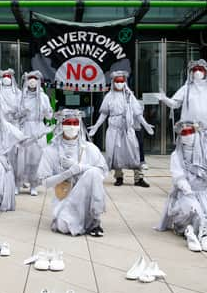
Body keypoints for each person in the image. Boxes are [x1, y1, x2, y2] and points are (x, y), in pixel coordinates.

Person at [37, 109, 109, 237]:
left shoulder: (89, 148)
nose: (72, 127)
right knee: (65, 227)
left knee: (93, 173)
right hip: (65, 195)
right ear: (61, 125)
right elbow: (45, 182)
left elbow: (102, 172)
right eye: (68, 123)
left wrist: (80, 168)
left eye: (75, 123)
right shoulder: (51, 150)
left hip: (87, 196)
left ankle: (96, 221)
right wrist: (68, 173)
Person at [157, 121, 207, 252]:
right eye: (183, 133)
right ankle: (192, 233)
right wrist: (187, 190)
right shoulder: (176, 155)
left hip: (203, 192)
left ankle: (198, 233)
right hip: (186, 194)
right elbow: (178, 176)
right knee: (193, 210)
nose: (186, 136)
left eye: (189, 132)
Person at [87, 71, 154, 187]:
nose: (119, 83)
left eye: (122, 81)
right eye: (117, 81)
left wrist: (146, 124)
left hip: (128, 129)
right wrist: (96, 126)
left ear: (125, 82)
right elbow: (104, 114)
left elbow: (137, 113)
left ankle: (139, 178)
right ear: (113, 82)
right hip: (114, 129)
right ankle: (119, 177)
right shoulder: (109, 96)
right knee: (116, 154)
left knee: (134, 152)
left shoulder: (129, 96)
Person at [16, 71, 53, 196]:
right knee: (21, 157)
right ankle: (18, 183)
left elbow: (49, 116)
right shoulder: (22, 96)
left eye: (34, 79)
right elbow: (16, 114)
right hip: (25, 127)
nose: (32, 81)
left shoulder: (44, 97)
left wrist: (48, 111)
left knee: (36, 157)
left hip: (38, 127)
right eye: (29, 79)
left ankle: (33, 184)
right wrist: (22, 113)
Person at [0, 69, 22, 179]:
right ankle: (2, 174)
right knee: (2, 149)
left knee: (15, 150)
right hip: (2, 124)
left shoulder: (17, 92)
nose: (6, 79)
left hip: (14, 123)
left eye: (8, 76)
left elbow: (21, 107)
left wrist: (16, 113)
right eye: (4, 77)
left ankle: (17, 176)